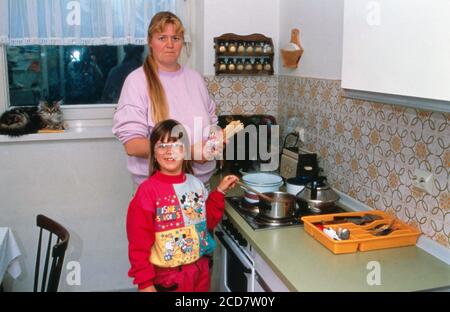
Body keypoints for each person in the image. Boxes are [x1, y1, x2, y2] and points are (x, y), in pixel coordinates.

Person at [127, 119, 238, 292]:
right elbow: (138, 243)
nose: (169, 151)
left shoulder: (196, 185)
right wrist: (145, 283)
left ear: (185, 150)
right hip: (168, 277)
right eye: (162, 146)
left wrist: (220, 192)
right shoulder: (147, 192)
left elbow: (206, 222)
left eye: (175, 145)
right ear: (154, 153)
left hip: (200, 271)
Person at [112, 12, 220, 187]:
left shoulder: (195, 79)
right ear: (150, 42)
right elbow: (133, 145)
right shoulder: (137, 81)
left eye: (176, 38)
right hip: (159, 191)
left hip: (200, 188)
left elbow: (212, 124)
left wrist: (215, 142)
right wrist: (189, 153)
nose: (170, 45)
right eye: (162, 38)